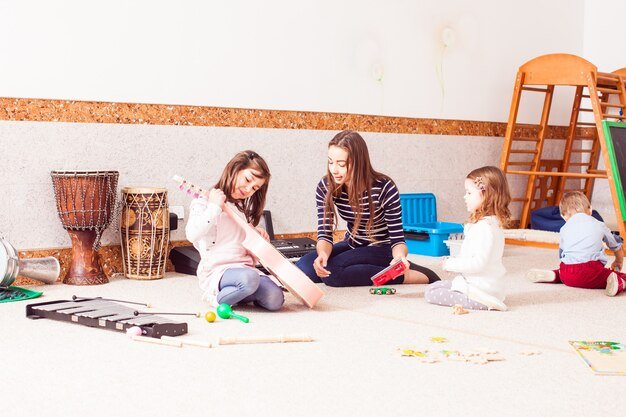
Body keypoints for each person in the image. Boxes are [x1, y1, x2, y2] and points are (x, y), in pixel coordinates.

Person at [296, 130, 440, 287]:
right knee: (304, 268)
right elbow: (325, 233)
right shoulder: (326, 186)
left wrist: (399, 257)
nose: (334, 170)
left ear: (358, 162)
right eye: (331, 162)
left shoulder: (384, 187)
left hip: (381, 248)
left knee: (333, 273)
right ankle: (376, 270)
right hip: (352, 243)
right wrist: (323, 254)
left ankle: (408, 275)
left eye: (341, 164)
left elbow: (397, 239)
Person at [185, 150, 285, 310]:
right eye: (247, 179)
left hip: (244, 269)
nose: (248, 189)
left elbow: (240, 243)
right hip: (218, 270)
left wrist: (256, 235)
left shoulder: (241, 211)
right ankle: (216, 298)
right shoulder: (204, 202)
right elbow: (192, 234)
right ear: (235, 169)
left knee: (275, 298)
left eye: (255, 188)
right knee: (249, 279)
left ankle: (240, 293)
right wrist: (214, 207)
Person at [424, 166, 511, 311]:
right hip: (485, 285)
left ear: (487, 195)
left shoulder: (484, 228)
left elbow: (477, 264)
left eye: (469, 193)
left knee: (431, 293)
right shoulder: (491, 223)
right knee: (436, 286)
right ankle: (488, 296)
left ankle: (486, 302)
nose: (465, 197)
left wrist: (451, 264)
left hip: (481, 290)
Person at [526, 191, 625, 296]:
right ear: (590, 209)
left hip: (566, 272)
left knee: (568, 271)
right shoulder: (599, 224)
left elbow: (562, 254)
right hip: (590, 271)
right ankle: (619, 283)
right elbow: (615, 244)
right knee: (615, 275)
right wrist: (619, 260)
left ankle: (555, 275)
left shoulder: (564, 228)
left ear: (563, 216)